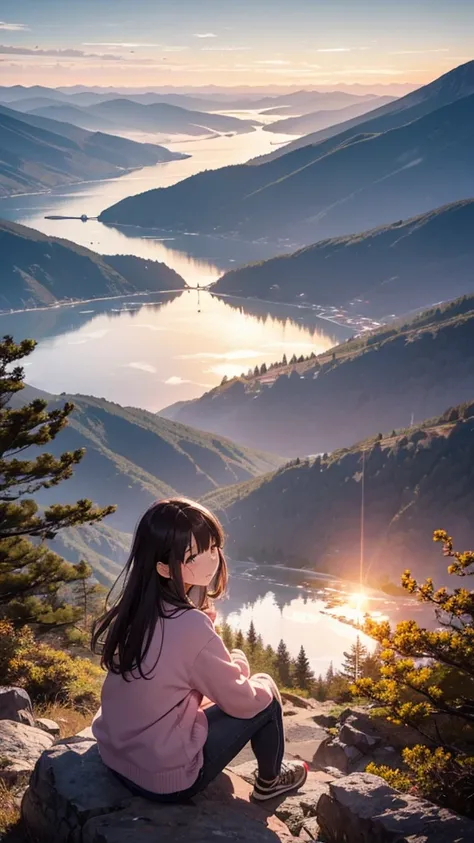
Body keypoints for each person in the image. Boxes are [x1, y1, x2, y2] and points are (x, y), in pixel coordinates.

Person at [91, 497, 307, 803]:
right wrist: (240, 666)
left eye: (212, 547)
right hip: (163, 779)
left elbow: (172, 674)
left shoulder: (135, 610)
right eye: (194, 556)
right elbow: (242, 702)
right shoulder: (189, 626)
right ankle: (270, 782)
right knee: (266, 693)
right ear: (164, 568)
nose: (211, 560)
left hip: (115, 755)